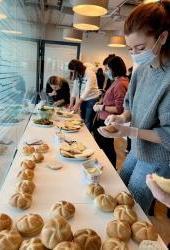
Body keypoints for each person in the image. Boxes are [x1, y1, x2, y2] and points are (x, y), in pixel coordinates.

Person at [98, 1, 170, 214]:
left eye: (140, 48)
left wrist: (130, 131)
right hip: (138, 148)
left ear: (163, 38)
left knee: (132, 209)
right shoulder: (140, 71)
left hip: (159, 156)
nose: (135, 54)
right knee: (120, 190)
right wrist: (122, 118)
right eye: (130, 49)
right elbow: (130, 105)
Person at [93, 56, 129, 167]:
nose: (105, 71)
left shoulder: (120, 84)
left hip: (108, 120)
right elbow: (112, 101)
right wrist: (102, 104)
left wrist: (102, 107)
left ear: (115, 68)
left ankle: (110, 168)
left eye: (107, 69)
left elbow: (119, 109)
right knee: (103, 145)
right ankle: (103, 166)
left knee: (106, 148)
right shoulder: (116, 81)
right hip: (104, 118)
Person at [68, 59, 99, 131]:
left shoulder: (90, 73)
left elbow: (87, 90)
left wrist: (77, 104)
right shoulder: (78, 74)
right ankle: (83, 134)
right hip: (83, 99)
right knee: (82, 119)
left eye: (73, 71)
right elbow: (74, 89)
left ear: (77, 69)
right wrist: (71, 104)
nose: (72, 73)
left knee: (88, 120)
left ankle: (88, 139)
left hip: (92, 99)